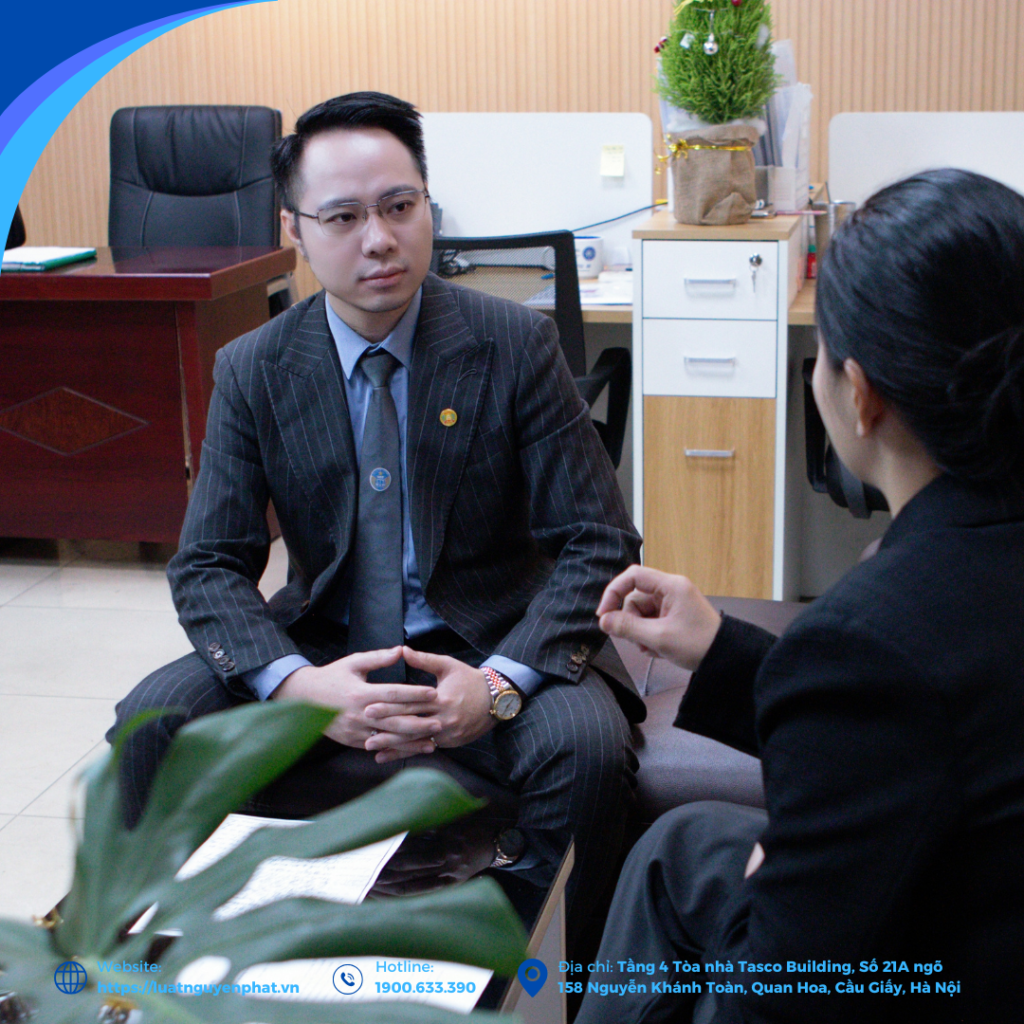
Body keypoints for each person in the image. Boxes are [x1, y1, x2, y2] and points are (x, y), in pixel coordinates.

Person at [107, 92, 644, 946]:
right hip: (324, 642)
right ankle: (174, 962)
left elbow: (598, 541)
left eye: (399, 206)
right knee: (152, 722)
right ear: (294, 229)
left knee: (585, 749)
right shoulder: (254, 368)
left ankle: (539, 978)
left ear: (429, 205)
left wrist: (498, 685)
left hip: (488, 638)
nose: (380, 239)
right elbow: (208, 563)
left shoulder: (514, 345)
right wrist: (298, 687)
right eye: (344, 217)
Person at [575, 168, 1024, 1024]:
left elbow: (779, 999)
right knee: (682, 848)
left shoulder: (877, 634)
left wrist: (773, 869)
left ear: (859, 394)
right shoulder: (942, 597)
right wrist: (723, 649)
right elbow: (935, 712)